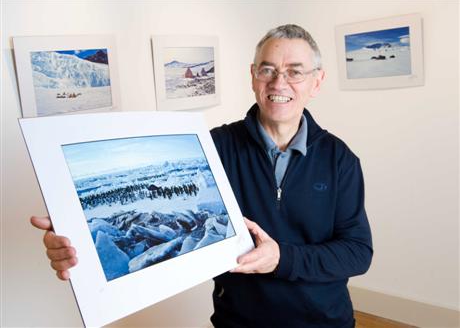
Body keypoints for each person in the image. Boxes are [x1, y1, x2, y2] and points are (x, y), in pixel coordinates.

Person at [31, 24, 373, 327]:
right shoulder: (214, 146)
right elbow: (178, 221)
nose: (279, 82)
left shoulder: (339, 159)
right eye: (268, 69)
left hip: (322, 321)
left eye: (294, 71)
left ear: (317, 81)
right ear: (253, 76)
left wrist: (281, 258)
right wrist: (79, 235)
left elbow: (358, 252)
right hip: (238, 321)